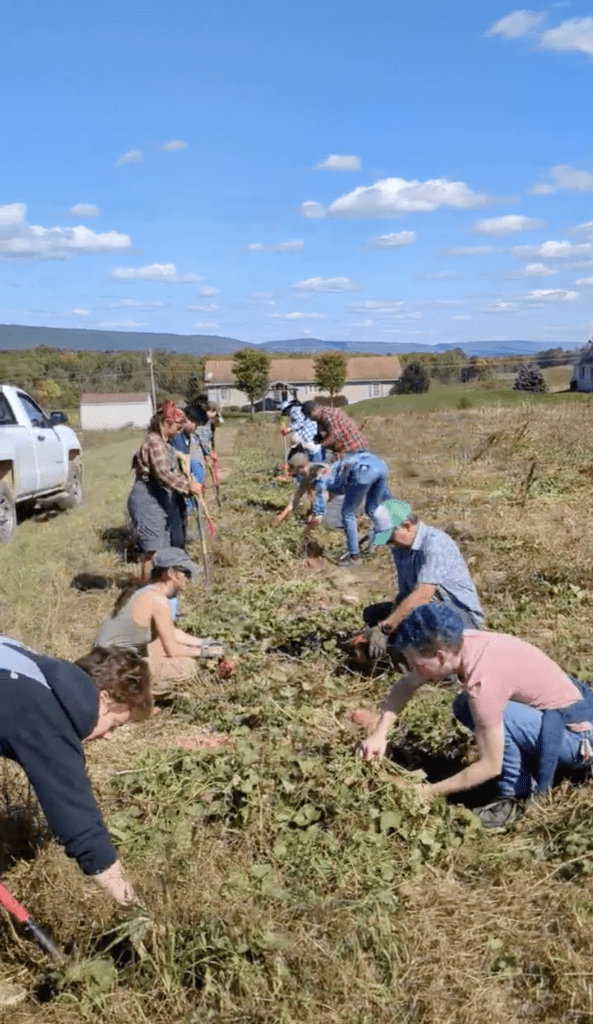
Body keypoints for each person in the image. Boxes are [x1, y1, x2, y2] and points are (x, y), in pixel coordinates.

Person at [357, 604, 593, 826]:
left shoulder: (483, 681)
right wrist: (380, 734)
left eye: (415, 663)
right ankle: (527, 766)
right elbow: (406, 685)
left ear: (440, 656)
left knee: (492, 713)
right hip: (559, 718)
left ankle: (513, 796)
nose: (412, 669)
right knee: (465, 705)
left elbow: (490, 766)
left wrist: (425, 792)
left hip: (577, 739)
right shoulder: (463, 642)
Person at [0, 636, 151, 900]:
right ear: (103, 699)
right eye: (115, 724)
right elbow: (80, 826)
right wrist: (130, 906)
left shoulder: (31, 666)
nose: (108, 736)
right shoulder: (47, 716)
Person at [363, 499, 483, 659]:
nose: (391, 544)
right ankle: (397, 651)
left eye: (391, 538)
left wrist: (386, 627)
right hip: (426, 609)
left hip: (460, 617)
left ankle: (445, 668)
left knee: (424, 618)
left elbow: (423, 595)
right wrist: (382, 623)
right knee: (372, 614)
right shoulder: (401, 550)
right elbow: (406, 595)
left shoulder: (435, 544)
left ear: (407, 526)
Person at [94, 548, 226, 691]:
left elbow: (170, 632)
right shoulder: (158, 600)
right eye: (186, 573)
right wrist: (206, 652)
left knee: (158, 647)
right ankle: (132, 698)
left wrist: (204, 643)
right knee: (187, 667)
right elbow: (173, 651)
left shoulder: (145, 591)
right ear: (170, 574)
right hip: (111, 671)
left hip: (102, 664)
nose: (189, 578)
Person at [128, 400, 203, 582]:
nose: (179, 432)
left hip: (160, 496)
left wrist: (188, 479)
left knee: (164, 546)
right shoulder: (154, 442)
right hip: (146, 498)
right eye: (177, 428)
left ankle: (161, 587)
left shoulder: (166, 443)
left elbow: (171, 472)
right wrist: (187, 486)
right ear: (166, 423)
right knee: (152, 550)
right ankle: (146, 590)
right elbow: (162, 473)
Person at [324, 452, 392, 566]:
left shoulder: (327, 480)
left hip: (363, 472)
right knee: (372, 507)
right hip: (381, 466)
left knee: (348, 514)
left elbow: (338, 490)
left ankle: (354, 557)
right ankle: (386, 536)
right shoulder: (337, 466)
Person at [301, 400, 369, 459]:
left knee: (335, 467)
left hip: (353, 446)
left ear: (314, 410)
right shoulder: (322, 416)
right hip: (351, 445)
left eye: (309, 416)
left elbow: (334, 436)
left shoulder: (328, 415)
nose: (310, 418)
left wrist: (318, 446)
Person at [276, 452, 329, 525]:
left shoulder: (320, 471)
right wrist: (282, 515)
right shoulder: (306, 477)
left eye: (296, 470)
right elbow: (296, 498)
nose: (296, 474)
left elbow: (324, 496)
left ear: (302, 466)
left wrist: (315, 515)